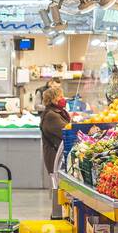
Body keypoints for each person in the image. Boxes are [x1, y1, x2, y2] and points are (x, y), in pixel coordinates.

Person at [40, 86, 69, 219]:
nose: (63, 99)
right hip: (55, 157)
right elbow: (66, 131)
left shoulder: (56, 112)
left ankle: (61, 214)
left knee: (60, 187)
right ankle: (57, 216)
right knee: (58, 187)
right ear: (53, 99)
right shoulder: (51, 116)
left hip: (57, 155)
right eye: (60, 96)